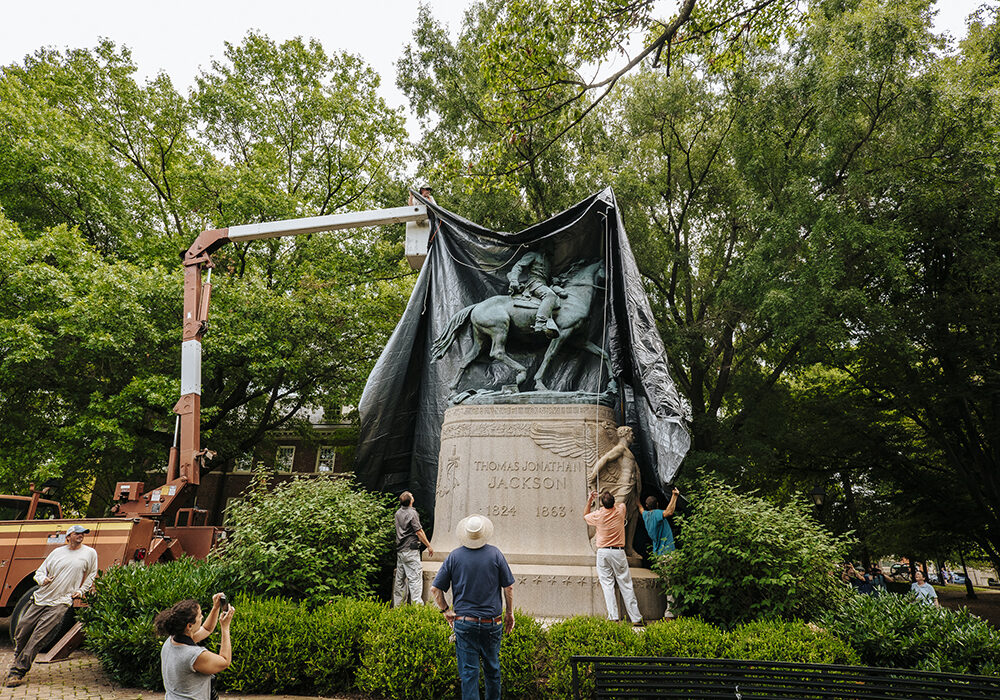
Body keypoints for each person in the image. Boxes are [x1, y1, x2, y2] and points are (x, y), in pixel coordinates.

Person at [430, 515, 515, 700]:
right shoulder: (495, 554)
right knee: (493, 670)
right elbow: (508, 586)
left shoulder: (454, 556)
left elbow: (435, 589)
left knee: (469, 674)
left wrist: (446, 611)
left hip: (464, 623)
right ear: (484, 534)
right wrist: (509, 613)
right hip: (492, 623)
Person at [5, 523, 98, 688]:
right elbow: (40, 572)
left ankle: (17, 671)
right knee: (22, 630)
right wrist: (43, 580)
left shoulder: (90, 553)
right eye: (77, 533)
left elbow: (91, 573)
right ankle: (19, 658)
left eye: (83, 533)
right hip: (41, 597)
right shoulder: (57, 552)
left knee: (39, 636)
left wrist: (82, 590)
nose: (81, 536)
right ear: (68, 537)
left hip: (61, 601)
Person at [155, 594, 235, 700]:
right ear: (189, 626)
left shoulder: (170, 642)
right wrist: (225, 627)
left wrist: (215, 608)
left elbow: (207, 629)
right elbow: (225, 661)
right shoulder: (194, 655)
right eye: (200, 615)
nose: (202, 617)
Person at [584, 490, 644, 626]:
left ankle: (613, 617)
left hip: (603, 552)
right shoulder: (620, 510)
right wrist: (607, 502)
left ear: (602, 504)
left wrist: (590, 500)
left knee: (607, 585)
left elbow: (585, 516)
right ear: (613, 502)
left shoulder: (598, 515)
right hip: (618, 552)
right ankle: (636, 618)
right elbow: (620, 503)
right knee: (626, 584)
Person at [588, 425, 642, 556]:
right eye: (631, 434)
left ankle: (629, 547)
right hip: (623, 486)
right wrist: (594, 475)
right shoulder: (620, 449)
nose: (632, 436)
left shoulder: (627, 451)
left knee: (633, 514)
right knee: (614, 514)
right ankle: (598, 540)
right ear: (624, 434)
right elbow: (605, 459)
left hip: (631, 487)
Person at [393, 491, 434, 606]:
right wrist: (429, 545)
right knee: (415, 580)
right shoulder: (412, 513)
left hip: (401, 551)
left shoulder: (398, 513)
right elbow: (419, 531)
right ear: (411, 501)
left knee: (400, 582)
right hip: (411, 550)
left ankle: (398, 608)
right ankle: (417, 609)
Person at [507, 249, 560, 336]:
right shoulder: (533, 254)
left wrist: (555, 280)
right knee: (550, 296)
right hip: (534, 283)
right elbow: (519, 266)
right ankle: (541, 323)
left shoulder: (548, 261)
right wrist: (514, 279)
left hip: (544, 284)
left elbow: (547, 277)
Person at [638, 488, 680, 556]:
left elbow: (640, 508)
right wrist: (674, 496)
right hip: (667, 551)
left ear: (647, 506)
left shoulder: (645, 515)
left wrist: (636, 498)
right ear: (657, 504)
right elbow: (669, 512)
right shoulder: (657, 514)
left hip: (657, 553)